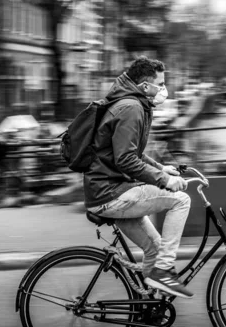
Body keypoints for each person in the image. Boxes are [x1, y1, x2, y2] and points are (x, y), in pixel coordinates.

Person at [84, 56, 194, 298]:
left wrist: (160, 168)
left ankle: (149, 308)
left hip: (110, 190)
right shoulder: (131, 108)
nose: (165, 90)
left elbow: (131, 152)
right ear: (145, 86)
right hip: (112, 193)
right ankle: (163, 272)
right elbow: (125, 160)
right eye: (161, 84)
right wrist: (164, 181)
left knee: (154, 248)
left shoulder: (131, 103)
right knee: (181, 200)